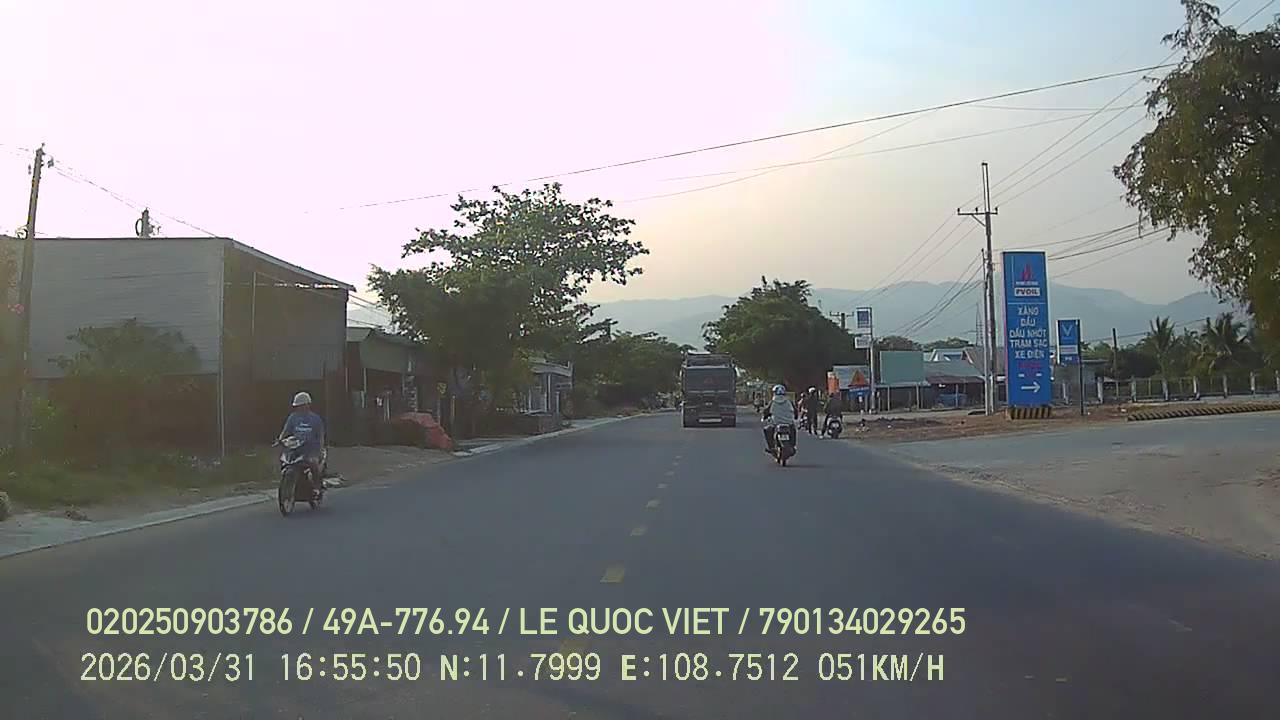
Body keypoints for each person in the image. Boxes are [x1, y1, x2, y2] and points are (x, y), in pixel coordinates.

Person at [277, 391, 327, 490]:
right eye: (298, 406)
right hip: (296, 448)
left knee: (314, 465)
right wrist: (280, 440)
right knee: (285, 461)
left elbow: (321, 435)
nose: (300, 408)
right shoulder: (293, 417)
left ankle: (317, 486)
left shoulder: (315, 419)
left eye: (302, 406)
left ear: (308, 405)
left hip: (311, 450)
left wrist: (320, 449)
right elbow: (285, 431)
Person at [762, 384, 797, 454]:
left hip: (776, 423)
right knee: (793, 430)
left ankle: (771, 447)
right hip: (789, 423)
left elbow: (766, 411)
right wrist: (795, 417)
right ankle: (793, 446)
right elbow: (795, 411)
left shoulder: (772, 402)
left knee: (767, 430)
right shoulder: (789, 401)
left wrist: (764, 417)